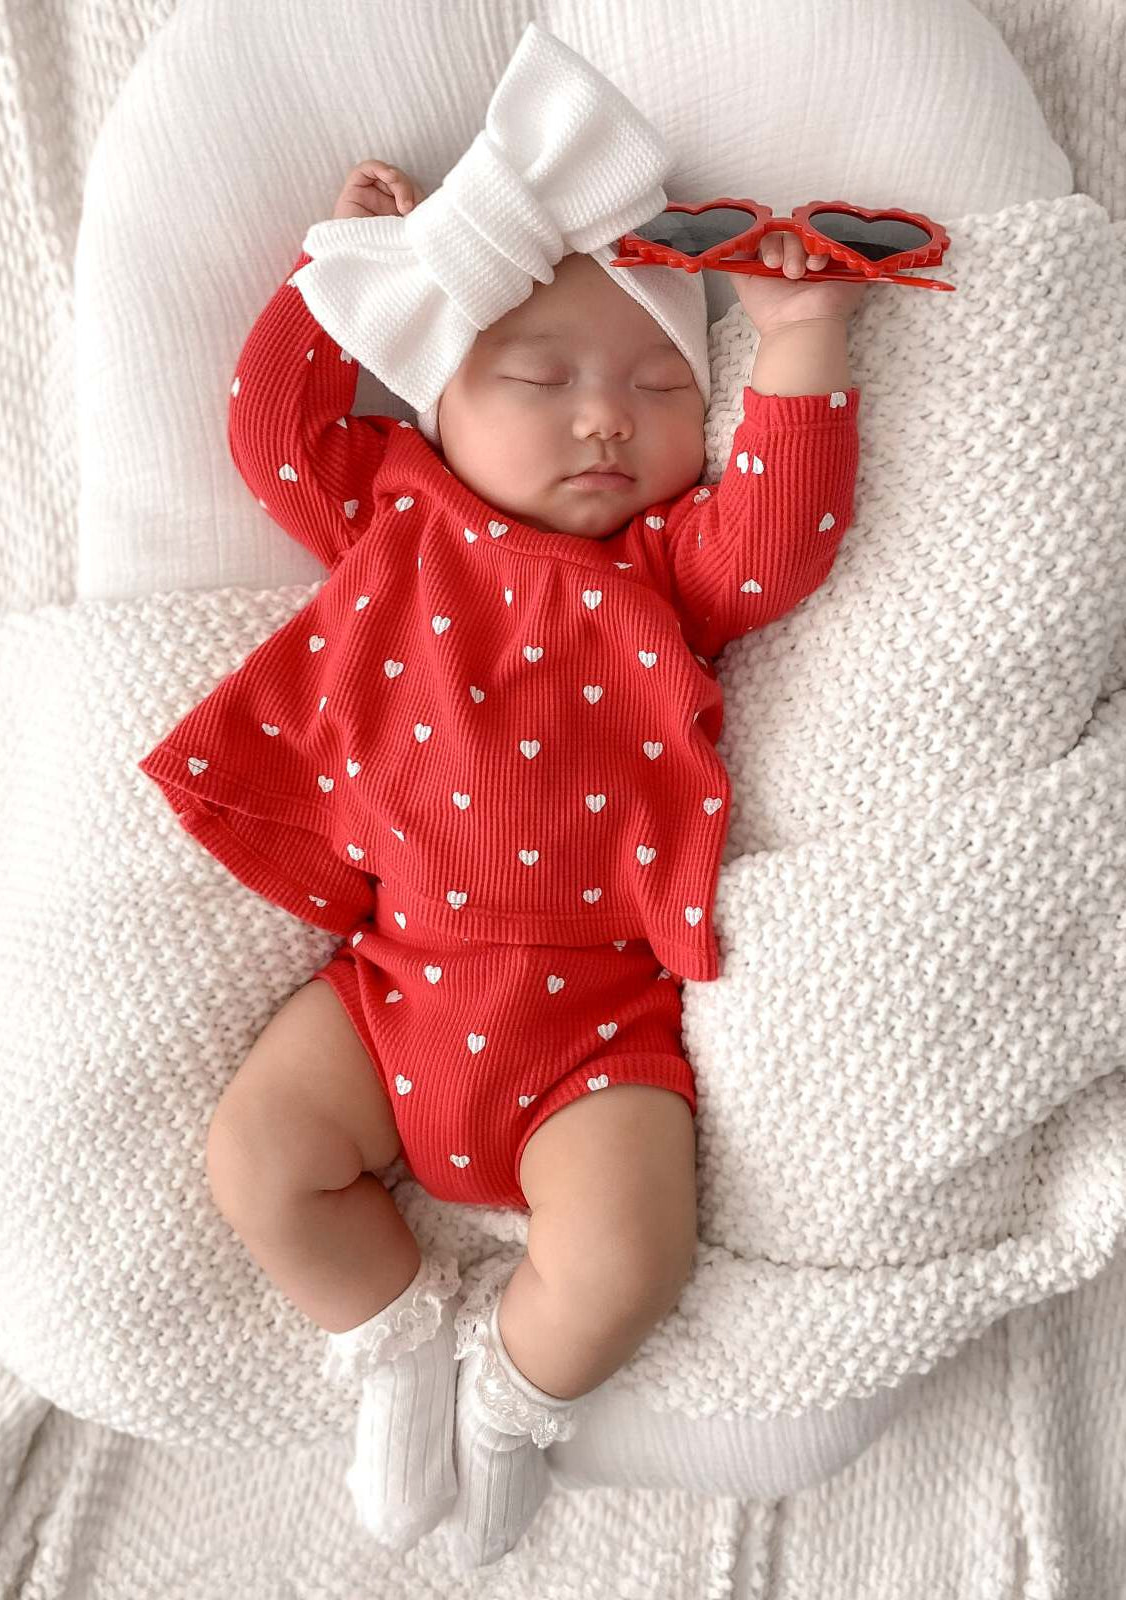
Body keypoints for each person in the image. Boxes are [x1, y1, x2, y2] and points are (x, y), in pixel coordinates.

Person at [138, 27, 867, 1572]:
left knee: (622, 1261)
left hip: (599, 1020)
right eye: (538, 376)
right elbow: (272, 430)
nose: (604, 417)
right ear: (435, 408)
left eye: (660, 385)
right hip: (392, 983)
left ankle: (517, 1399)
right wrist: (339, 265)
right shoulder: (393, 518)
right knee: (261, 1161)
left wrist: (798, 336)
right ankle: (393, 1337)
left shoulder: (663, 575)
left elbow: (782, 538)